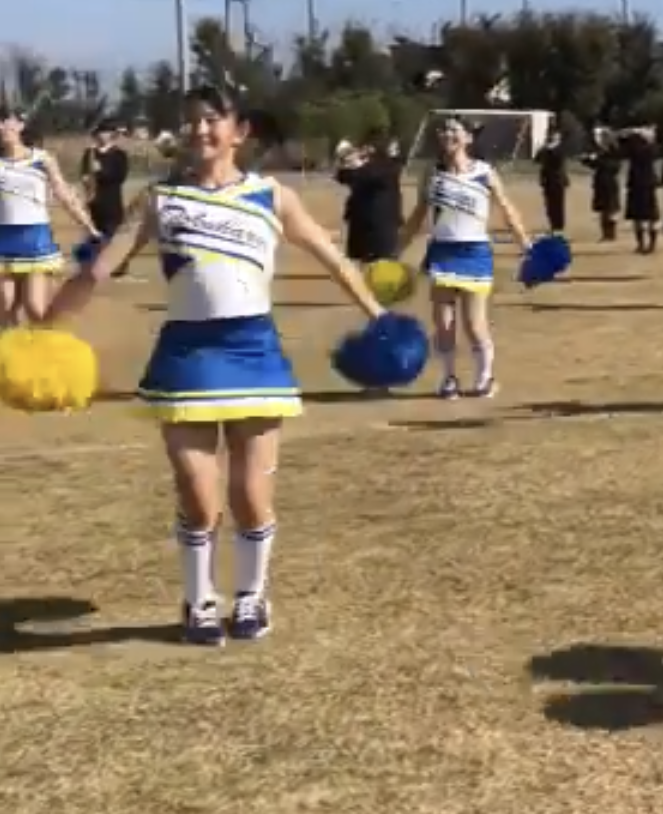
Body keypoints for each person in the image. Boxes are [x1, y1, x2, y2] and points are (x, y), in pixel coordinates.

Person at [43, 84, 387, 645]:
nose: (199, 131)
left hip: (254, 353)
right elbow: (97, 271)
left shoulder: (271, 196)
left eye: (211, 120)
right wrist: (44, 330)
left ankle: (251, 596)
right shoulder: (158, 198)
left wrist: (378, 316)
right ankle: (200, 599)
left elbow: (334, 260)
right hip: (186, 357)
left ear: (239, 131)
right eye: (190, 122)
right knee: (198, 497)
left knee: (251, 496)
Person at [398, 117, 535, 399]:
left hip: (475, 253)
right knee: (444, 323)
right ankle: (449, 378)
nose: (447, 134)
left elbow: (507, 210)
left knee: (475, 324)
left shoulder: (485, 173)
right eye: (444, 129)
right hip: (442, 252)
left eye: (454, 130)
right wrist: (395, 251)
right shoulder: (431, 173)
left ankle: (485, 377)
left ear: (469, 138)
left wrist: (526, 246)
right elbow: (417, 215)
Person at [0, 102, 99, 323]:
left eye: (5, 121)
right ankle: (11, 355)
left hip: (35, 240)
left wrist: (89, 226)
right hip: (2, 241)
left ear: (20, 124)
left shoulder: (42, 159)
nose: (1, 127)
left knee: (35, 308)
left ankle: (44, 352)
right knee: (5, 308)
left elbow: (65, 195)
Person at [335, 131, 404, 265]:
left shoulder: (389, 166)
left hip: (382, 229)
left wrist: (355, 162)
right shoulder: (365, 165)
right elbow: (342, 176)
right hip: (361, 227)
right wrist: (346, 161)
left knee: (382, 268)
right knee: (364, 268)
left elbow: (368, 175)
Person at [80, 120, 131, 277]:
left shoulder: (119, 154)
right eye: (99, 132)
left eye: (105, 132)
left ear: (112, 135)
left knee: (113, 233)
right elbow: (83, 172)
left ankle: (120, 265)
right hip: (94, 200)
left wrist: (101, 171)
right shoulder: (90, 153)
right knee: (95, 232)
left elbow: (119, 176)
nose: (101, 135)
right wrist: (86, 180)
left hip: (112, 201)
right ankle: (92, 264)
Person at [621, 126, 661, 254]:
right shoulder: (651, 148)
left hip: (636, 184)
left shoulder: (633, 149)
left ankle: (641, 244)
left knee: (638, 218)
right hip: (648, 184)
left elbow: (621, 142)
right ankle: (651, 245)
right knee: (651, 216)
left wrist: (630, 132)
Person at [581, 129, 622, 242]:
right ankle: (605, 234)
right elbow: (593, 164)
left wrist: (598, 161)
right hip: (600, 182)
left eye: (602, 137)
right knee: (603, 210)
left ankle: (612, 233)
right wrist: (586, 159)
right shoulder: (600, 152)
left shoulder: (614, 152)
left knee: (611, 209)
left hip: (610, 182)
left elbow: (615, 167)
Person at [536, 129, 569, 234]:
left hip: (558, 180)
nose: (551, 137)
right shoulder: (546, 148)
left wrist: (549, 150)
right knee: (549, 205)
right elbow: (537, 160)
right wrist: (542, 149)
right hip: (547, 180)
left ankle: (559, 227)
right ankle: (552, 225)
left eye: (554, 135)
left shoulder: (560, 149)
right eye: (550, 135)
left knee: (558, 204)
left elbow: (557, 162)